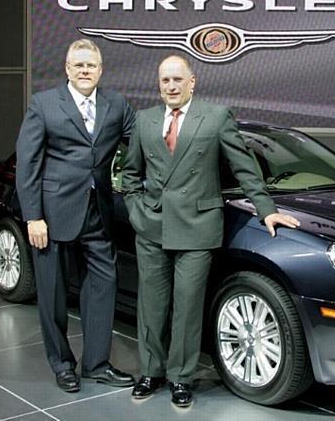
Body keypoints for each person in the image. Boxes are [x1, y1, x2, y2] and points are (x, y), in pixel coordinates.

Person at [122, 55, 299, 407]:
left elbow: (245, 167)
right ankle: (150, 371)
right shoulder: (144, 120)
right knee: (152, 306)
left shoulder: (216, 117)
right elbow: (130, 175)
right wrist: (136, 211)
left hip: (197, 228)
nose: (170, 87)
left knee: (187, 308)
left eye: (177, 80)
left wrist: (267, 210)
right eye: (164, 81)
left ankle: (180, 377)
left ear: (192, 82)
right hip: (153, 227)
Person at [15, 39, 136, 392]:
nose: (85, 71)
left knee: (103, 288)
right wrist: (32, 216)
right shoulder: (44, 104)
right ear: (68, 69)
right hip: (52, 216)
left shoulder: (116, 105)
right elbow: (29, 163)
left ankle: (96, 363)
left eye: (91, 65)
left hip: (99, 214)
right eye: (79, 65)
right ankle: (62, 363)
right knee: (52, 295)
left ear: (101, 70)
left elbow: (144, 139)